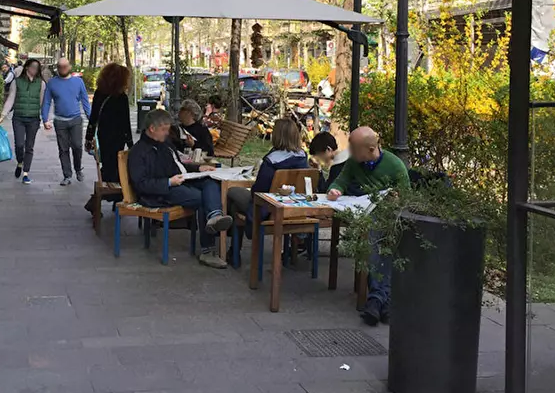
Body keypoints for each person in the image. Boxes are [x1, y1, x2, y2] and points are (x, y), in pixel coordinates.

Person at [128, 109, 233, 269]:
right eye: (164, 129)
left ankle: (215, 216)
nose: (167, 133)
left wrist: (198, 169)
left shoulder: (164, 144)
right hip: (160, 192)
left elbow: (178, 166)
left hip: (179, 181)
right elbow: (141, 184)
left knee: (211, 182)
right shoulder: (139, 152)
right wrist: (168, 182)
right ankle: (207, 250)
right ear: (152, 129)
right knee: (202, 198)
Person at [326, 127, 409, 327]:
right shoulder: (354, 163)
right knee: (373, 235)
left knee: (382, 239)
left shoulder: (395, 165)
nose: (350, 152)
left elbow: (407, 198)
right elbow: (339, 182)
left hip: (391, 218)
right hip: (366, 215)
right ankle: (384, 302)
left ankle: (376, 299)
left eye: (354, 148)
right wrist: (334, 190)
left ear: (371, 148)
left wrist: (397, 200)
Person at [226, 118, 308, 261]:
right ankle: (292, 253)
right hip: (293, 208)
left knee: (232, 193)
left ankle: (234, 252)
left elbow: (258, 192)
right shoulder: (303, 158)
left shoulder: (271, 161)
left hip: (268, 209)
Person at [84, 63, 134, 213]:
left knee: (107, 167)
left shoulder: (100, 93)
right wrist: (131, 144)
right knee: (118, 169)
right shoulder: (122, 98)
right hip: (117, 138)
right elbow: (125, 123)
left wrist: (89, 137)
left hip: (104, 136)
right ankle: (106, 198)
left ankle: (100, 198)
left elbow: (93, 118)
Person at [41, 58, 92, 186]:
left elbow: (85, 101)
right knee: (63, 149)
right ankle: (67, 175)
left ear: (69, 67)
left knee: (77, 146)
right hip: (60, 121)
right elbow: (46, 101)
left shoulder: (78, 82)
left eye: (65, 66)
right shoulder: (52, 83)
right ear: (57, 68)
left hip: (75, 120)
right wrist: (45, 119)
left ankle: (78, 169)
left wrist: (91, 119)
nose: (63, 68)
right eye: (60, 66)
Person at [0, 58, 46, 185]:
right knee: (19, 144)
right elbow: (10, 99)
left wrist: (44, 118)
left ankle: (26, 173)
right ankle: (20, 162)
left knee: (29, 146)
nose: (35, 70)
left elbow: (42, 103)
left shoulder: (41, 83)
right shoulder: (16, 82)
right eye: (33, 67)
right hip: (18, 117)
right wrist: (2, 115)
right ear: (27, 67)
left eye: (37, 68)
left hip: (33, 119)